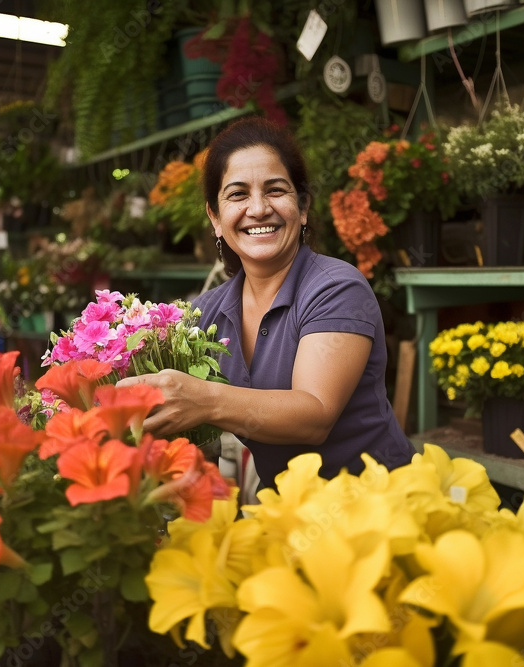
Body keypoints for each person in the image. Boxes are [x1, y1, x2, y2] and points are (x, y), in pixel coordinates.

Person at [118, 116, 414, 489]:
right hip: (285, 510)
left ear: (302, 207)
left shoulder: (337, 289)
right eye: (238, 194)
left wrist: (204, 401)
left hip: (378, 505)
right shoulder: (205, 313)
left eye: (275, 190)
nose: (258, 209)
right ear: (215, 217)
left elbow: (315, 416)